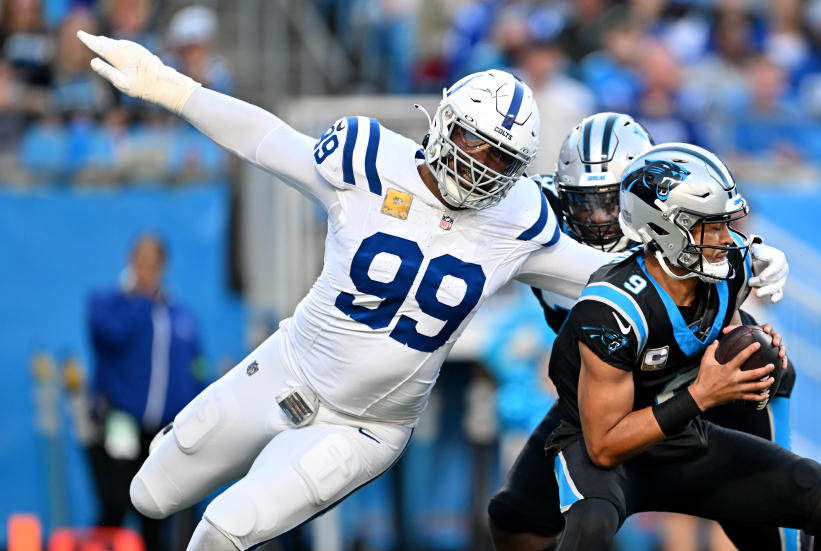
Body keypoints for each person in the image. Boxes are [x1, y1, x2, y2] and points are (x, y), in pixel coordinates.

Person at [76, 30, 627, 551]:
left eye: (500, 159)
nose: (480, 166)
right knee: (149, 494)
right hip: (287, 368)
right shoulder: (370, 161)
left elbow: (614, 277)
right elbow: (266, 140)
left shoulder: (520, 219)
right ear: (442, 123)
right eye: (472, 142)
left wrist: (694, 251)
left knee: (227, 526)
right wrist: (172, 87)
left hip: (366, 426)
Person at [488, 114, 799, 551]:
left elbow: (720, 229)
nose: (597, 218)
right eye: (584, 202)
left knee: (762, 510)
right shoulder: (537, 215)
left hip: (692, 376)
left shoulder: (672, 238)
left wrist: (752, 253)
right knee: (514, 515)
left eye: (610, 202)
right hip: (605, 388)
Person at [544, 143, 821, 551]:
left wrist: (750, 348)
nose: (726, 238)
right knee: (588, 529)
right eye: (710, 226)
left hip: (684, 440)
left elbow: (716, 338)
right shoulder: (612, 309)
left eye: (725, 224)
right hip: (610, 458)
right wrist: (701, 395)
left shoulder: (729, 273)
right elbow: (605, 446)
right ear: (663, 227)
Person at [86, 234, 205, 551]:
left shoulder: (180, 317)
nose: (147, 268)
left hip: (162, 431)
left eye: (153, 262)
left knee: (156, 508)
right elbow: (109, 335)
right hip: (120, 421)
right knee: (115, 500)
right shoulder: (108, 304)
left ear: (164, 266)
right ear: (130, 261)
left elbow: (194, 369)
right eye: (141, 260)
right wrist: (139, 301)